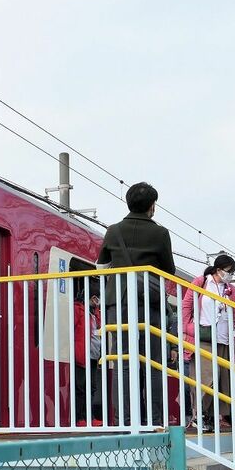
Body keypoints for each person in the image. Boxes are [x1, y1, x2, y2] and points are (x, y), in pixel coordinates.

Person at [97, 182, 176, 426]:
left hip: (118, 303)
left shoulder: (113, 231)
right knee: (153, 364)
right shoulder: (160, 233)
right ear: (152, 206)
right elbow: (169, 272)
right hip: (148, 304)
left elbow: (101, 266)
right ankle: (154, 420)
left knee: (123, 363)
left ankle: (125, 420)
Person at [181, 254, 235, 431]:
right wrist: (186, 329)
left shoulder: (232, 290)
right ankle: (198, 415)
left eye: (232, 273)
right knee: (205, 378)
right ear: (218, 270)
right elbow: (186, 305)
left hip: (225, 340)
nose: (230, 276)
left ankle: (211, 416)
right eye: (228, 272)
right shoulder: (201, 282)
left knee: (222, 380)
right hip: (204, 337)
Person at [73, 286, 103, 426]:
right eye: (95, 298)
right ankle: (79, 418)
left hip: (93, 356)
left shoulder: (95, 314)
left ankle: (89, 417)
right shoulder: (77, 309)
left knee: (91, 387)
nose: (97, 301)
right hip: (81, 354)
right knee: (80, 387)